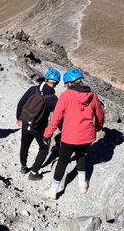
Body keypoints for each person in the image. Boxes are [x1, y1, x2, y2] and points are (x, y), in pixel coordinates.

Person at [42, 69, 104, 199]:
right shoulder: (92, 95)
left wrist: (47, 135)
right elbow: (99, 114)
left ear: (69, 83)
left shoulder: (66, 96)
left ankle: (53, 191)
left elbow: (56, 118)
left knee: (63, 162)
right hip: (87, 136)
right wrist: (98, 127)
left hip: (70, 137)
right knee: (81, 156)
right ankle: (82, 185)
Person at [16, 69, 60, 181]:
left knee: (24, 145)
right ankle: (34, 172)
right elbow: (57, 118)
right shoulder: (54, 99)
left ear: (45, 80)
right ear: (57, 83)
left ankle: (23, 167)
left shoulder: (32, 89)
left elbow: (21, 103)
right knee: (44, 149)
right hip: (39, 128)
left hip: (25, 124)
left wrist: (18, 118)